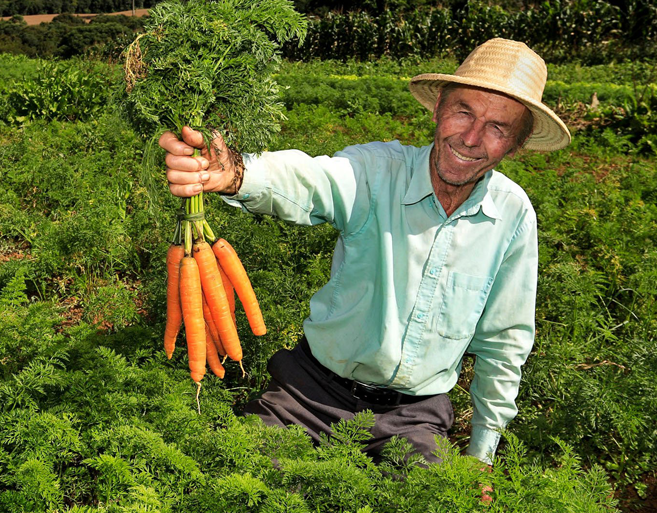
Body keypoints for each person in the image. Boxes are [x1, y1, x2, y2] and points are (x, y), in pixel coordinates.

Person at [158, 38, 571, 465]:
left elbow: (504, 343)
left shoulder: (512, 215)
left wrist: (481, 454)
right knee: (241, 474)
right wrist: (236, 172)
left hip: (414, 417)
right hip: (309, 395)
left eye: (497, 127)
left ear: (517, 146)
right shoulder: (377, 172)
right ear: (438, 109)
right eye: (463, 111)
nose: (470, 138)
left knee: (439, 499)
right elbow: (313, 180)